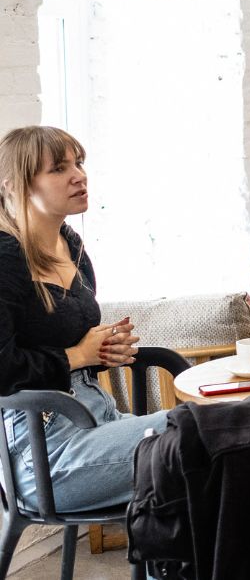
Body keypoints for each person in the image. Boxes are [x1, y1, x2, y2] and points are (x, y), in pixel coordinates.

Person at [0, 126, 164, 512]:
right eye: (58, 168)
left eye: (79, 162)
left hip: (98, 413)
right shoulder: (5, 256)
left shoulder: (70, 244)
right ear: (15, 186)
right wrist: (78, 355)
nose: (79, 175)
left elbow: (59, 334)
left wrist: (104, 349)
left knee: (221, 434)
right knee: (196, 434)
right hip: (43, 449)